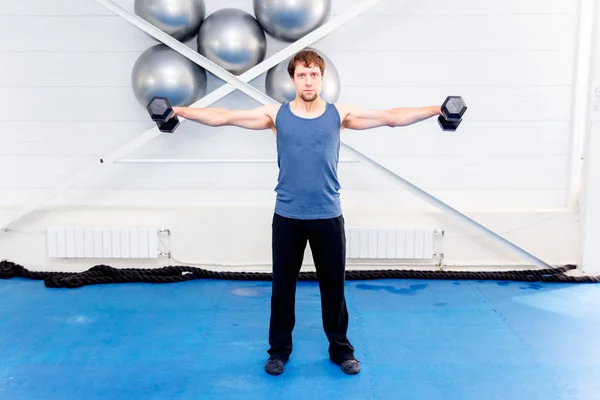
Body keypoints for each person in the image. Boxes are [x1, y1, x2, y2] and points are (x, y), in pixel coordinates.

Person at [172, 50, 443, 376]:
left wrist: (435, 110)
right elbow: (225, 116)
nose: (308, 80)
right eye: (302, 74)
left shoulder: (338, 114)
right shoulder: (276, 115)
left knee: (334, 288)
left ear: (321, 78)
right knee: (282, 287)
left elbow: (390, 116)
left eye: (313, 74)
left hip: (327, 215)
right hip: (288, 217)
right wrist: (178, 110)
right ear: (293, 79)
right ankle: (278, 352)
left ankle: (341, 350)